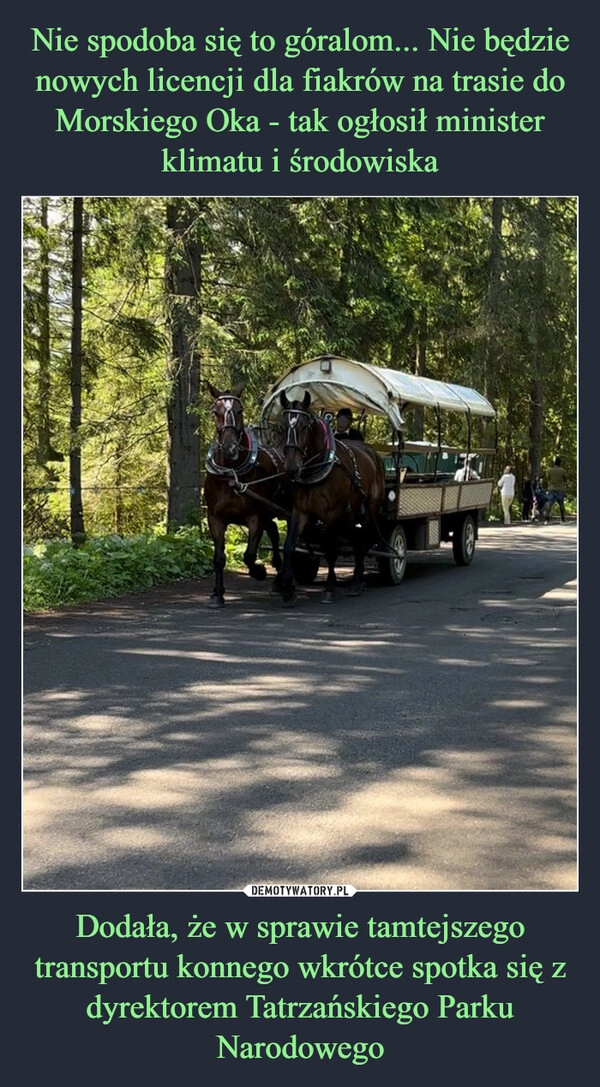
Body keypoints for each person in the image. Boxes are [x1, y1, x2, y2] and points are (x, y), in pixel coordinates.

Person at [544, 456, 567, 524]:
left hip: (551, 489)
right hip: (560, 489)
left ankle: (546, 520)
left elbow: (547, 478)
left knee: (549, 504)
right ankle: (563, 519)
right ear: (560, 463)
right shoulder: (563, 470)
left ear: (554, 463)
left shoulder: (549, 470)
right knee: (561, 504)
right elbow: (565, 479)